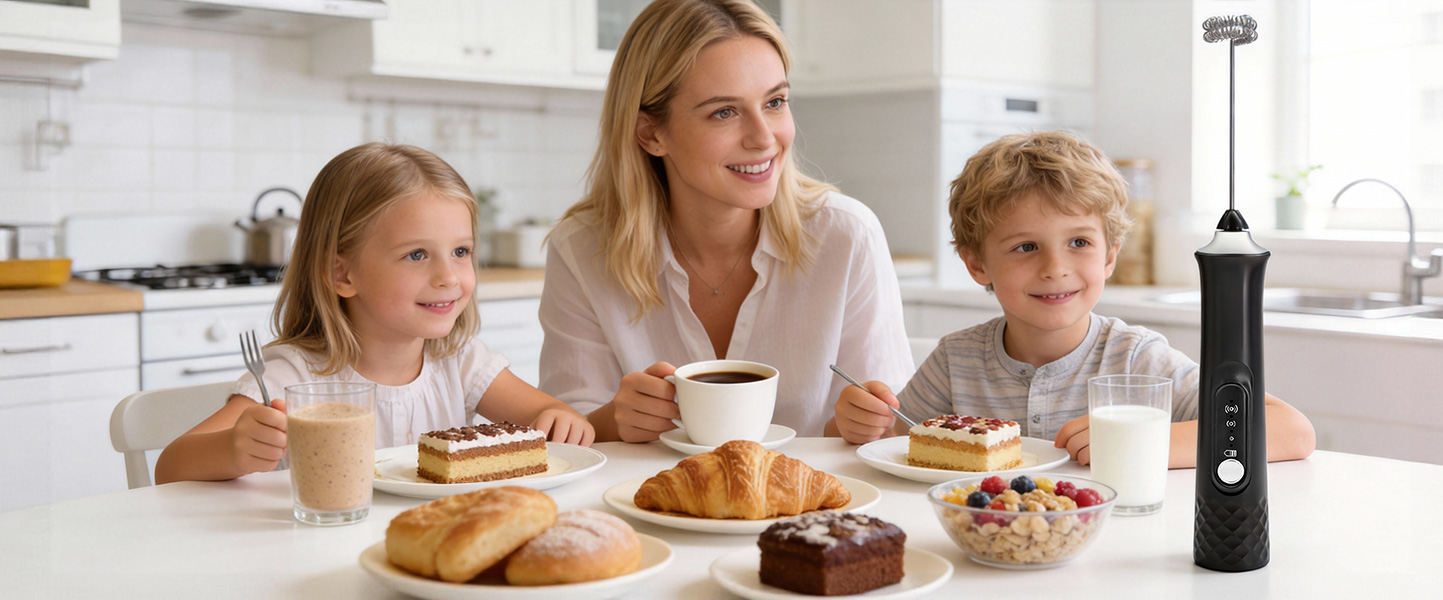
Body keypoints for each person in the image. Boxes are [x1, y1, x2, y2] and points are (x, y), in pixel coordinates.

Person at [539, 0, 913, 442]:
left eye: (775, 102)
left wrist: (859, 424)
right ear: (651, 134)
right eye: (724, 112)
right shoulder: (583, 249)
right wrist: (615, 420)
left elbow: (891, 433)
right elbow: (569, 437)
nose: (764, 137)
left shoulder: (847, 236)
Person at [831, 131, 1315, 467]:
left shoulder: (1139, 359)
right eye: (1026, 247)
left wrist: (1139, 442)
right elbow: (887, 446)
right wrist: (854, 424)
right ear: (977, 263)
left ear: (1110, 256)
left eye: (1079, 243)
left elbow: (1290, 430)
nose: (1055, 267)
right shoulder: (956, 362)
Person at [155, 143, 593, 484]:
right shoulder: (294, 377)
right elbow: (170, 467)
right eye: (417, 254)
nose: (449, 277)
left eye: (461, 251)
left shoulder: (457, 359)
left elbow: (549, 415)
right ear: (341, 273)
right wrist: (234, 448)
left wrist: (561, 421)